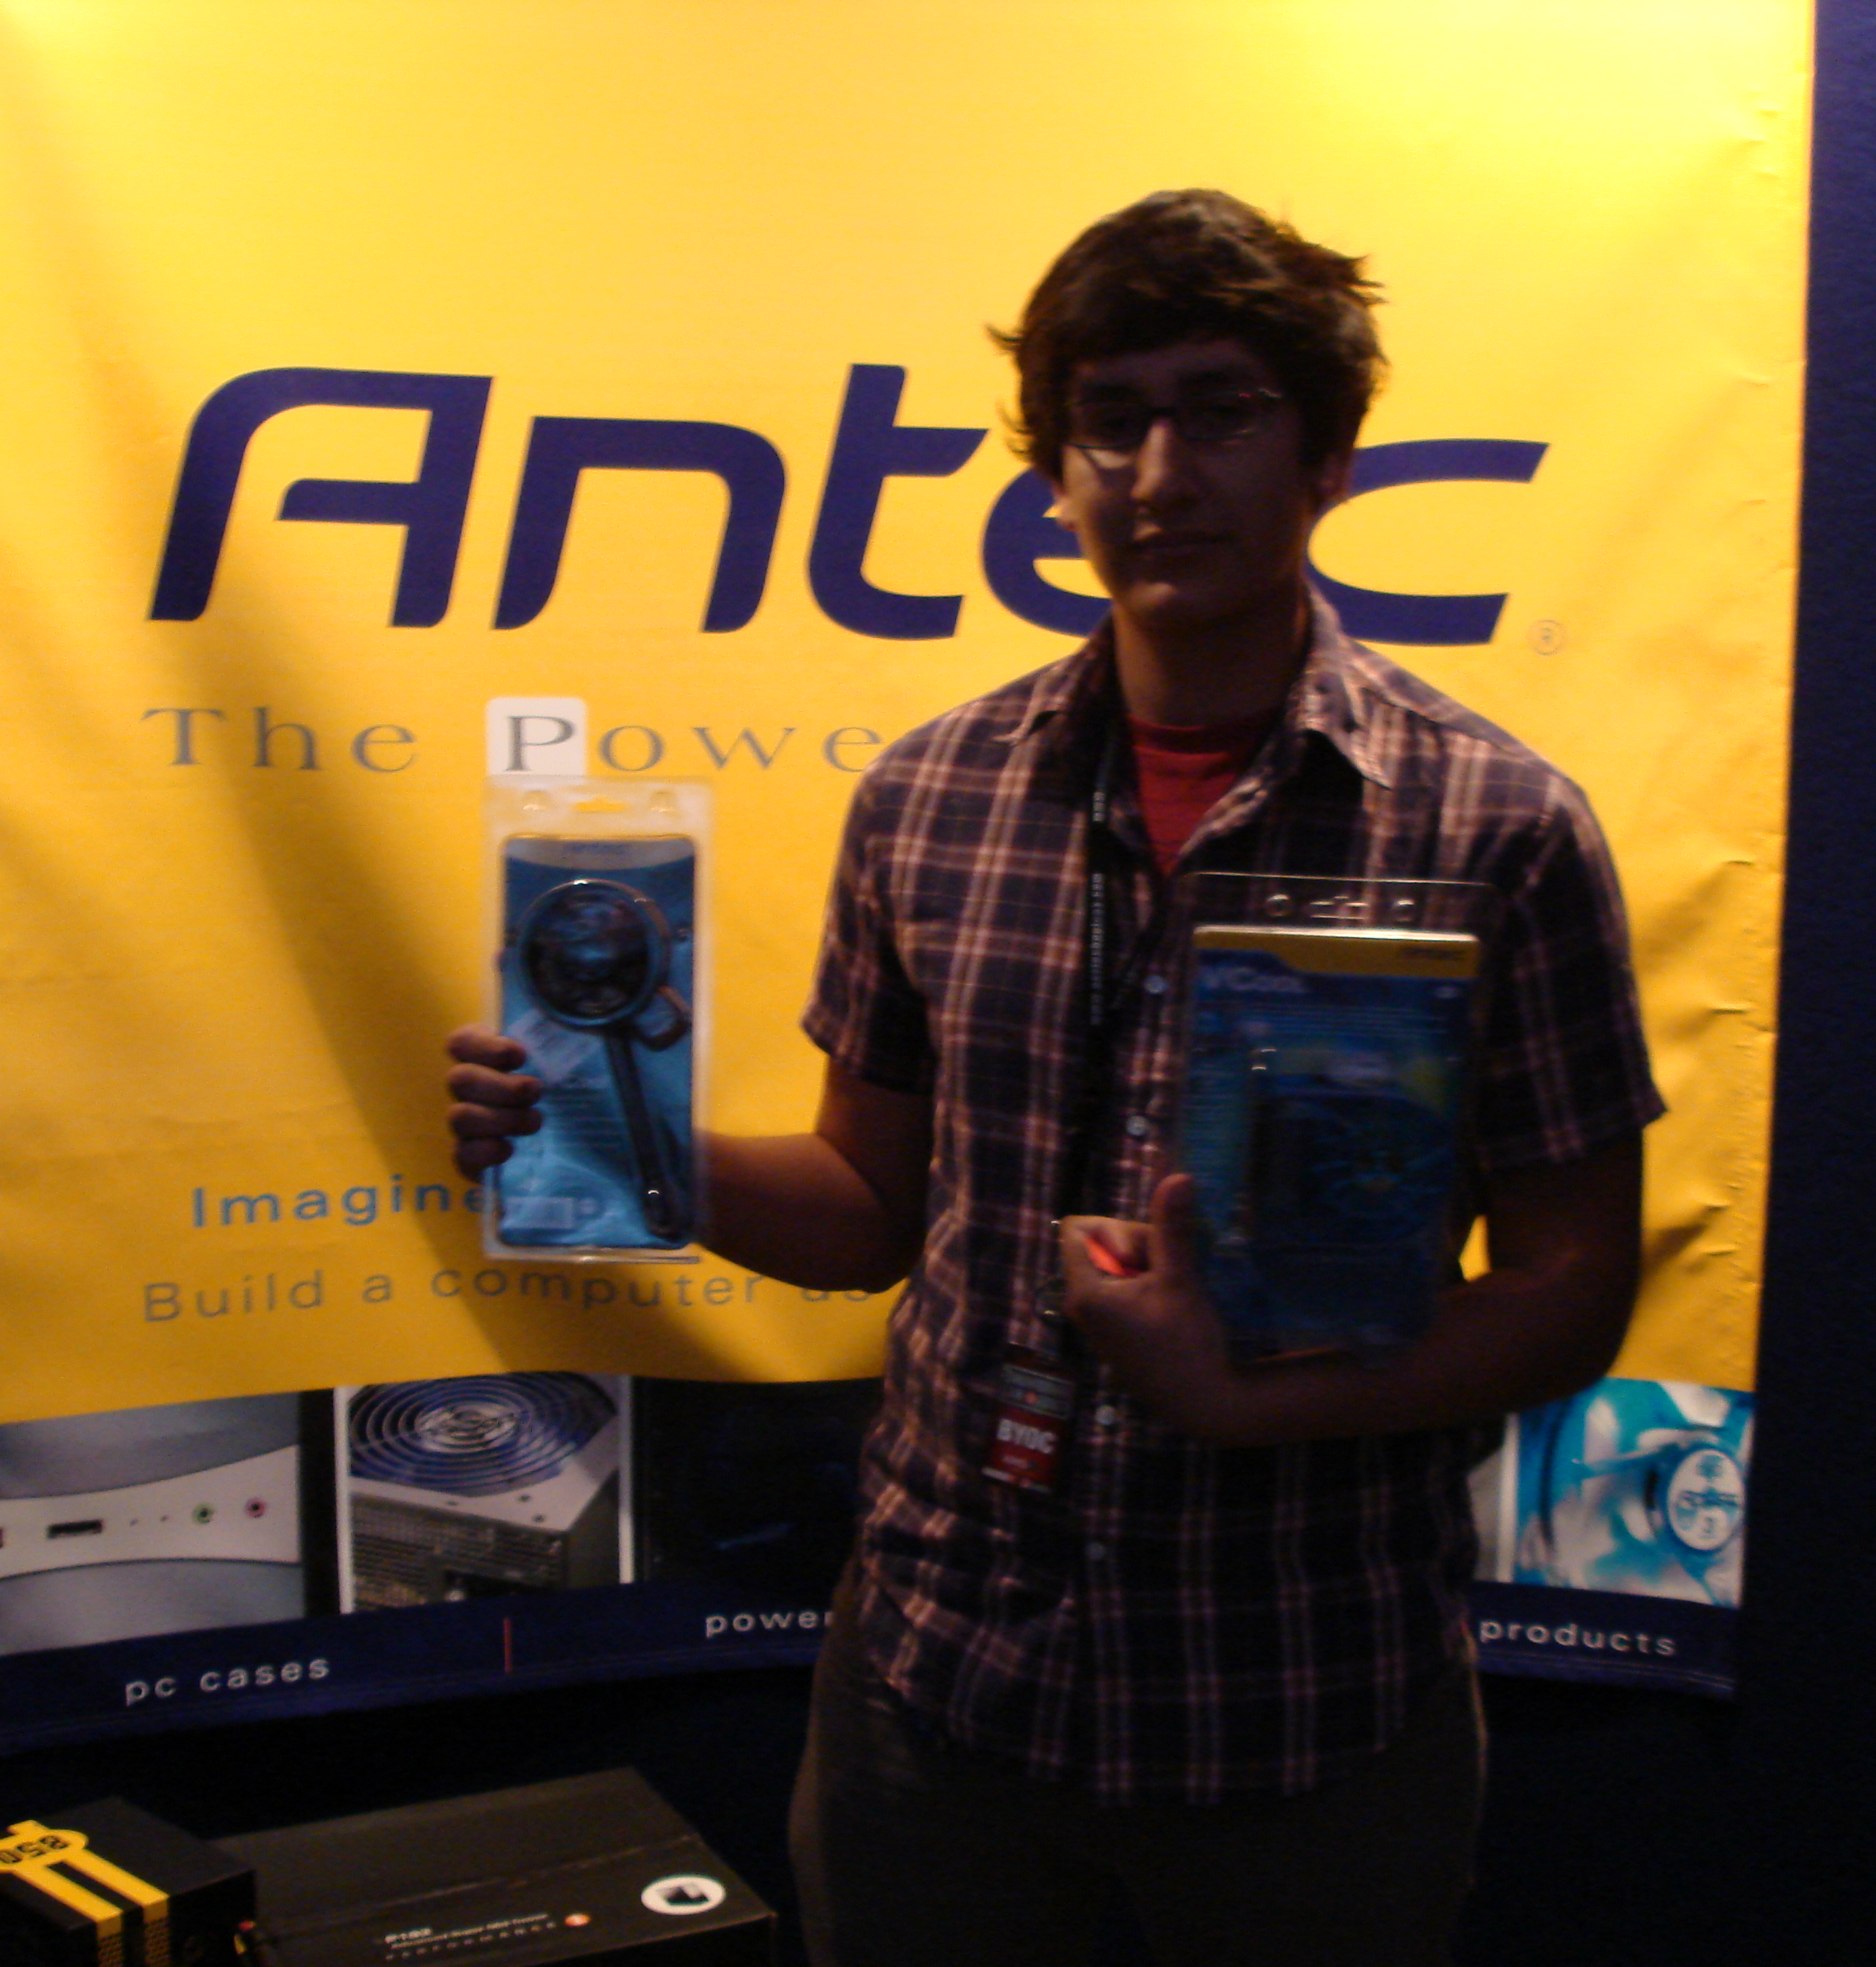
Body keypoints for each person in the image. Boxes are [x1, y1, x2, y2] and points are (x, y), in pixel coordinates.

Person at [449, 188, 1663, 1967]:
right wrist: (607, 1136)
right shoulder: (932, 795)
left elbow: (1572, 1289)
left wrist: (1248, 1401)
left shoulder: (1498, 827)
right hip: (938, 1702)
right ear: (1055, 471)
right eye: (1111, 419)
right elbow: (869, 1210)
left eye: (1222, 410)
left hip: (1302, 1705)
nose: (1162, 472)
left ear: (1329, 458)